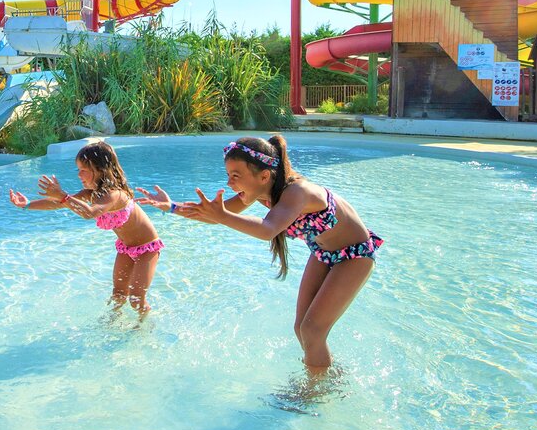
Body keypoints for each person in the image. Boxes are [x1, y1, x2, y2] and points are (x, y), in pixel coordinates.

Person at [138, 135, 382, 369]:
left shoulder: (298, 192)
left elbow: (267, 229)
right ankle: (323, 372)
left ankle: (316, 388)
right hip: (323, 252)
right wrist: (171, 207)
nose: (229, 183)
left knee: (312, 330)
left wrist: (223, 216)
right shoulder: (261, 192)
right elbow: (214, 216)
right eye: (228, 175)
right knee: (301, 328)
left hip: (355, 255)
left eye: (236, 175)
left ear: (264, 175)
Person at [9, 142, 163, 313]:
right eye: (78, 170)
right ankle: (113, 321)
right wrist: (28, 204)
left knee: (136, 299)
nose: (79, 175)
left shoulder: (115, 194)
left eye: (84, 170)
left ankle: (144, 326)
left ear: (101, 170)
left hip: (147, 249)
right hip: (126, 248)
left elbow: (89, 213)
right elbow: (60, 204)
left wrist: (62, 195)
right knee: (118, 293)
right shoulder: (92, 193)